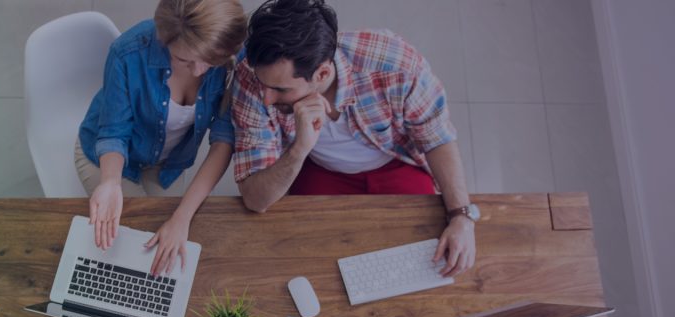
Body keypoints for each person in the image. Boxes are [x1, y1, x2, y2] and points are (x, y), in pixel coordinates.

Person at [232, 0, 476, 277]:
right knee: (310, 260)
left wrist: (461, 216)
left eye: (280, 89)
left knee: (424, 259)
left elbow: (436, 136)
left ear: (322, 73)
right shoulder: (252, 80)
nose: (266, 98)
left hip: (395, 162)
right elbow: (255, 199)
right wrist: (300, 149)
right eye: (264, 85)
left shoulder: (394, 62)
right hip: (318, 170)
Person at [78, 0, 247, 276]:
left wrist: (182, 217)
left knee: (168, 238)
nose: (199, 71)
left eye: (211, 60)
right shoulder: (127, 52)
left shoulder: (231, 53)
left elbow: (223, 140)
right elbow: (113, 132)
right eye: (184, 59)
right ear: (162, 38)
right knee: (135, 248)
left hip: (169, 164)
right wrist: (110, 182)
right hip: (110, 158)